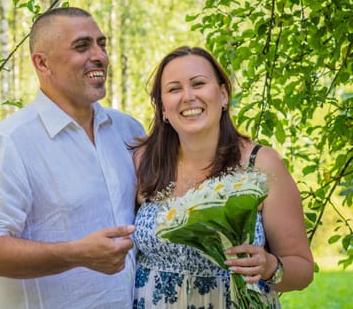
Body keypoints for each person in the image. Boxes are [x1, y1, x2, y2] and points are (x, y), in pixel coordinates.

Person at [0, 7, 145, 309]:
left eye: (102, 44)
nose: (99, 55)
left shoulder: (128, 130)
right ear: (42, 63)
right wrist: (77, 253)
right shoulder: (7, 144)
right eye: (82, 46)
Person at [131, 46, 314, 308]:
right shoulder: (143, 161)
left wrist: (270, 266)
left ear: (224, 95)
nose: (188, 96)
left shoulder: (260, 164)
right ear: (162, 108)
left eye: (198, 83)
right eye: (174, 89)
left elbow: (302, 268)